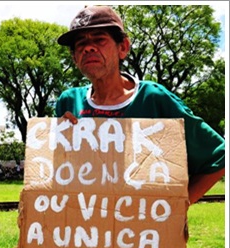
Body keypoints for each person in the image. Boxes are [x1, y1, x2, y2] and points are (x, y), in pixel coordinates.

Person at [55, 6, 225, 205]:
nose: (88, 48)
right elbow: (58, 170)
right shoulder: (68, 102)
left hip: (144, 233)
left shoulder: (153, 98)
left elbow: (219, 157)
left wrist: (178, 206)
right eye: (80, 43)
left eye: (99, 39)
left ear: (123, 47)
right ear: (75, 57)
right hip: (86, 230)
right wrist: (57, 139)